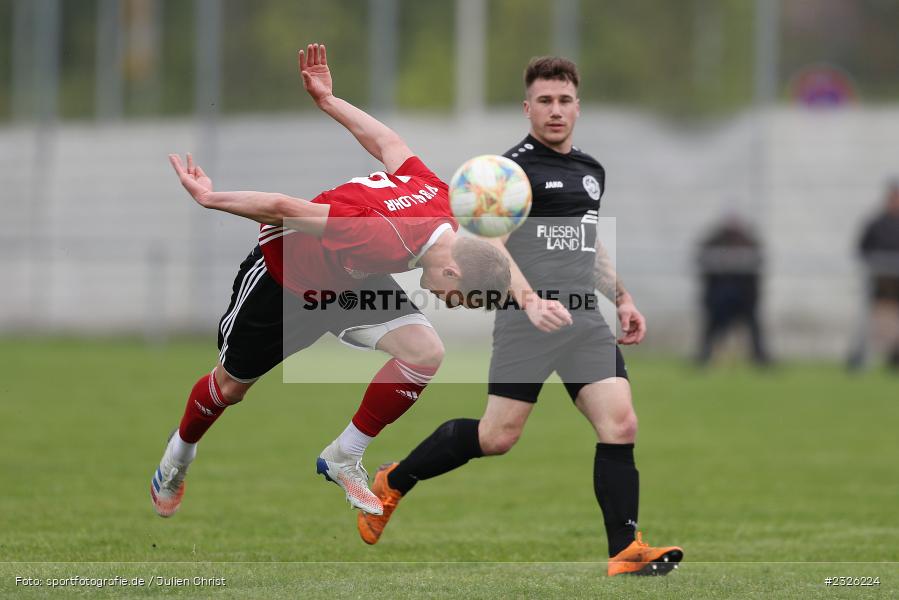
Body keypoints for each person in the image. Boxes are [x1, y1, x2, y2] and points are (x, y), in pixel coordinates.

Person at [150, 43, 511, 519]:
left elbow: (389, 145)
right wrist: (210, 199)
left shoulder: (444, 205)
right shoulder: (380, 235)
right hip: (285, 279)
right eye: (458, 298)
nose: (448, 302)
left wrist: (329, 101)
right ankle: (177, 457)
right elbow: (284, 208)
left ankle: (344, 456)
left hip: (350, 281)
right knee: (230, 388)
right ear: (452, 271)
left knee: (425, 353)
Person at [357, 56, 683, 576]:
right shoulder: (507, 173)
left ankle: (625, 550)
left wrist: (621, 296)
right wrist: (530, 301)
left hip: (582, 320)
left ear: (578, 107)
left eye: (565, 100)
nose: (556, 110)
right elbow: (491, 245)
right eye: (545, 101)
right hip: (525, 320)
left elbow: (588, 240)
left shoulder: (591, 171)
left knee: (621, 423)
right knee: (497, 437)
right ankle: (394, 480)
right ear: (527, 107)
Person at [695, 215, 770, 366]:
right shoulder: (715, 242)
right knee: (712, 326)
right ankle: (705, 355)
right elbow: (703, 263)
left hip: (744, 299)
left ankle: (760, 357)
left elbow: (758, 266)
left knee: (753, 326)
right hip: (720, 299)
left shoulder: (748, 242)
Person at [848, 180, 899, 371]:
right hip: (880, 282)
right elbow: (862, 249)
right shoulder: (876, 224)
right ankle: (858, 357)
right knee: (868, 321)